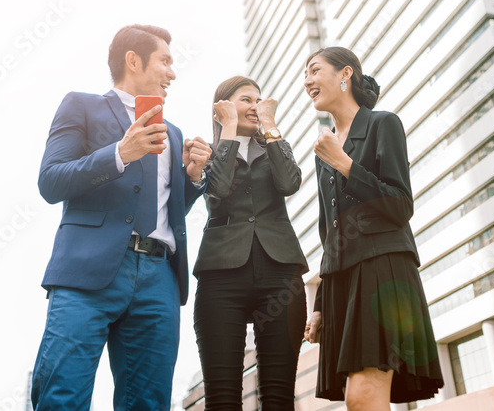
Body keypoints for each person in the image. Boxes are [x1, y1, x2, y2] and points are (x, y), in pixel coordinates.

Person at [30, 24, 212, 411]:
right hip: (86, 275)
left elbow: (168, 211)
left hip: (159, 281)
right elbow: (50, 181)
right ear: (133, 60)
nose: (172, 73)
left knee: (149, 403)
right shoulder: (81, 105)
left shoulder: (174, 133)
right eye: (165, 61)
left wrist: (194, 180)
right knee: (62, 394)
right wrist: (119, 154)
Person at [301, 47, 443, 408]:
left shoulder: (383, 124)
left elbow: (400, 205)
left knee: (362, 397)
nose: (307, 81)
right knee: (356, 397)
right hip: (342, 280)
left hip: (383, 269)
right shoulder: (325, 149)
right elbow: (328, 232)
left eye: (314, 71)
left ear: (345, 74)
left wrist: (346, 165)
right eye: (305, 75)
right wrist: (319, 305)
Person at [190, 76, 309, 410]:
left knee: (279, 394)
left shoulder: (274, 145)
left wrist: (270, 125)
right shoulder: (208, 152)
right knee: (222, 397)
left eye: (259, 100)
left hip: (280, 272)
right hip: (221, 275)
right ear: (223, 108)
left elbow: (289, 183)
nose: (256, 106)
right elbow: (220, 189)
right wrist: (227, 130)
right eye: (246, 100)